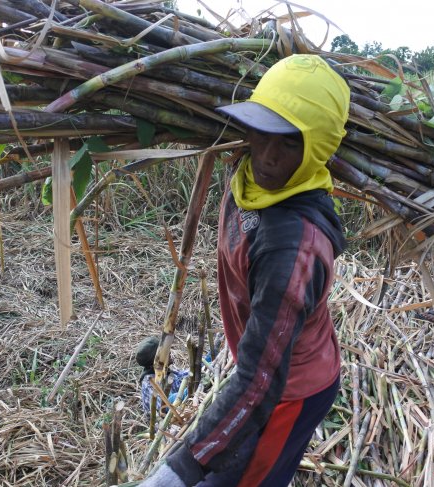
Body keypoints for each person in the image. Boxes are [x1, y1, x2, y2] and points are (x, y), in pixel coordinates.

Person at [139, 54, 350, 487]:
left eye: (290, 142)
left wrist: (176, 472)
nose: (268, 156)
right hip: (263, 364)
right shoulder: (250, 176)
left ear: (318, 150)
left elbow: (259, 385)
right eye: (262, 131)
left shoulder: (294, 248)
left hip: (288, 391)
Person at [136, 336, 189, 414]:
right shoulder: (150, 384)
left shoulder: (165, 372)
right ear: (157, 361)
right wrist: (191, 388)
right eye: (165, 351)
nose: (170, 352)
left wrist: (207, 361)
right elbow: (167, 404)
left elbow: (183, 375)